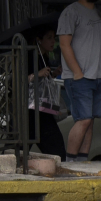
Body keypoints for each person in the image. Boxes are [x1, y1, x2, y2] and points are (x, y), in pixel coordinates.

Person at [57, 0, 101, 162]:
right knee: (83, 120)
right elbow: (64, 44)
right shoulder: (70, 12)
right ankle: (70, 162)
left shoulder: (98, 12)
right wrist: (77, 72)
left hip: (98, 77)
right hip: (79, 78)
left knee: (90, 122)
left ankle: (83, 162)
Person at [27, 27, 66, 160]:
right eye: (49, 38)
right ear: (39, 40)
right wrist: (38, 74)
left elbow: (43, 85)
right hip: (29, 113)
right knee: (19, 152)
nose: (52, 42)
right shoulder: (28, 56)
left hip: (43, 111)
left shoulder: (44, 58)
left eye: (53, 38)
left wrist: (53, 74)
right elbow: (21, 80)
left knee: (57, 150)